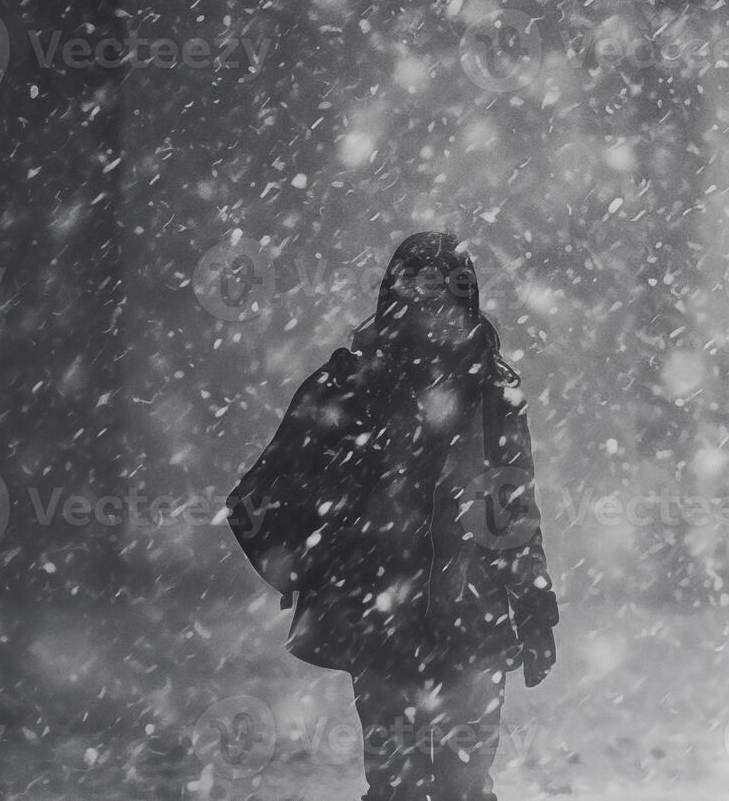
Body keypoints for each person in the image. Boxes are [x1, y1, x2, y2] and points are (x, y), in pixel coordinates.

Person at [228, 231, 559, 801]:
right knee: (409, 788)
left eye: (443, 293)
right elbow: (254, 500)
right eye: (419, 291)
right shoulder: (352, 383)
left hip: (458, 620)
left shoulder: (492, 389)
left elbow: (510, 507)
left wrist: (534, 606)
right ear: (394, 297)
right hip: (389, 622)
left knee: (455, 788)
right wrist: (308, 567)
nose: (432, 311)